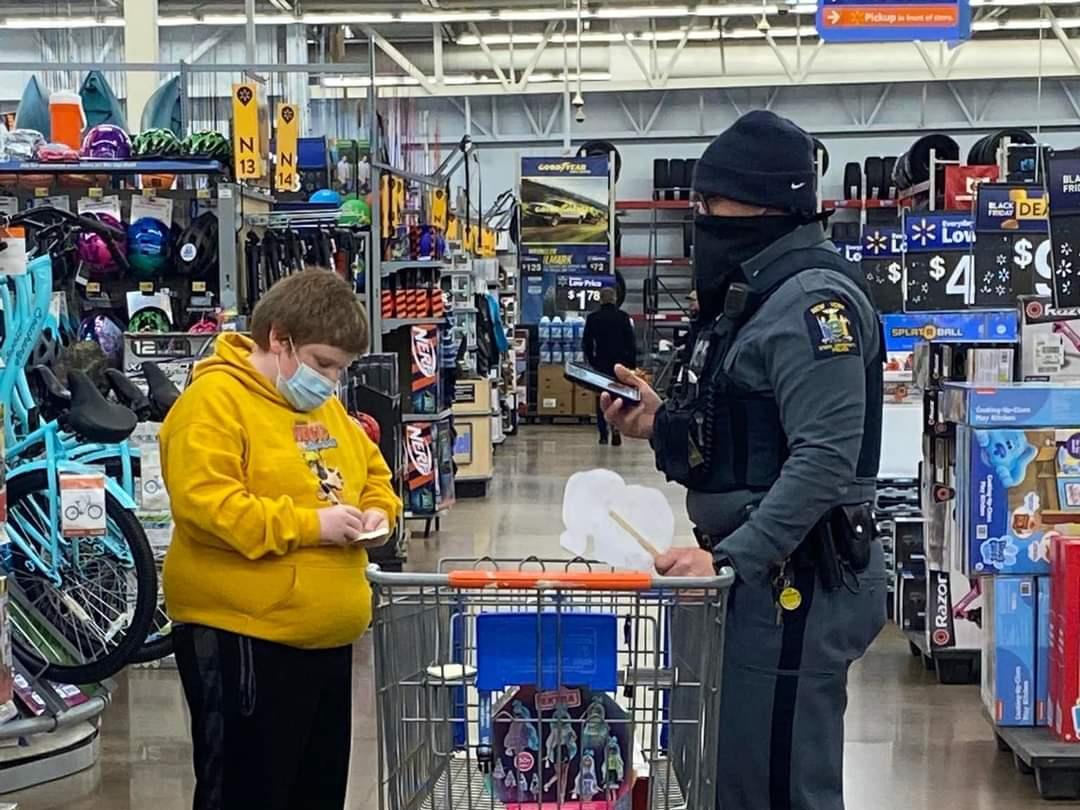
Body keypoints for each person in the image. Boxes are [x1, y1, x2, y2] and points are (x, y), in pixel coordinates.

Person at [601, 110, 886, 810]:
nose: (702, 220)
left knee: (780, 782)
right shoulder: (754, 299)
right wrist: (660, 424)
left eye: (711, 204)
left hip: (797, 581)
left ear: (763, 205)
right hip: (758, 577)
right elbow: (745, 437)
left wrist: (731, 560)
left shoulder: (813, 304)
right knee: (734, 774)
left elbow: (824, 459)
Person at [161, 269, 402, 810]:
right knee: (248, 793)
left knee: (313, 793)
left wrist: (376, 515)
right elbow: (207, 507)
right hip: (245, 640)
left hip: (327, 643)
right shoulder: (212, 404)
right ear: (278, 339)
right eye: (322, 364)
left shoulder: (325, 408)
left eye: (341, 369)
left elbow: (375, 475)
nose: (330, 381)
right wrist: (311, 525)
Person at [582, 286, 636, 445]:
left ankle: (603, 433)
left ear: (600, 299)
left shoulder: (593, 318)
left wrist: (592, 360)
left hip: (601, 363)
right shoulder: (623, 317)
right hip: (621, 364)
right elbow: (631, 342)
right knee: (618, 397)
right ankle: (616, 428)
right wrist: (631, 365)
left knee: (602, 397)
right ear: (614, 299)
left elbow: (586, 343)